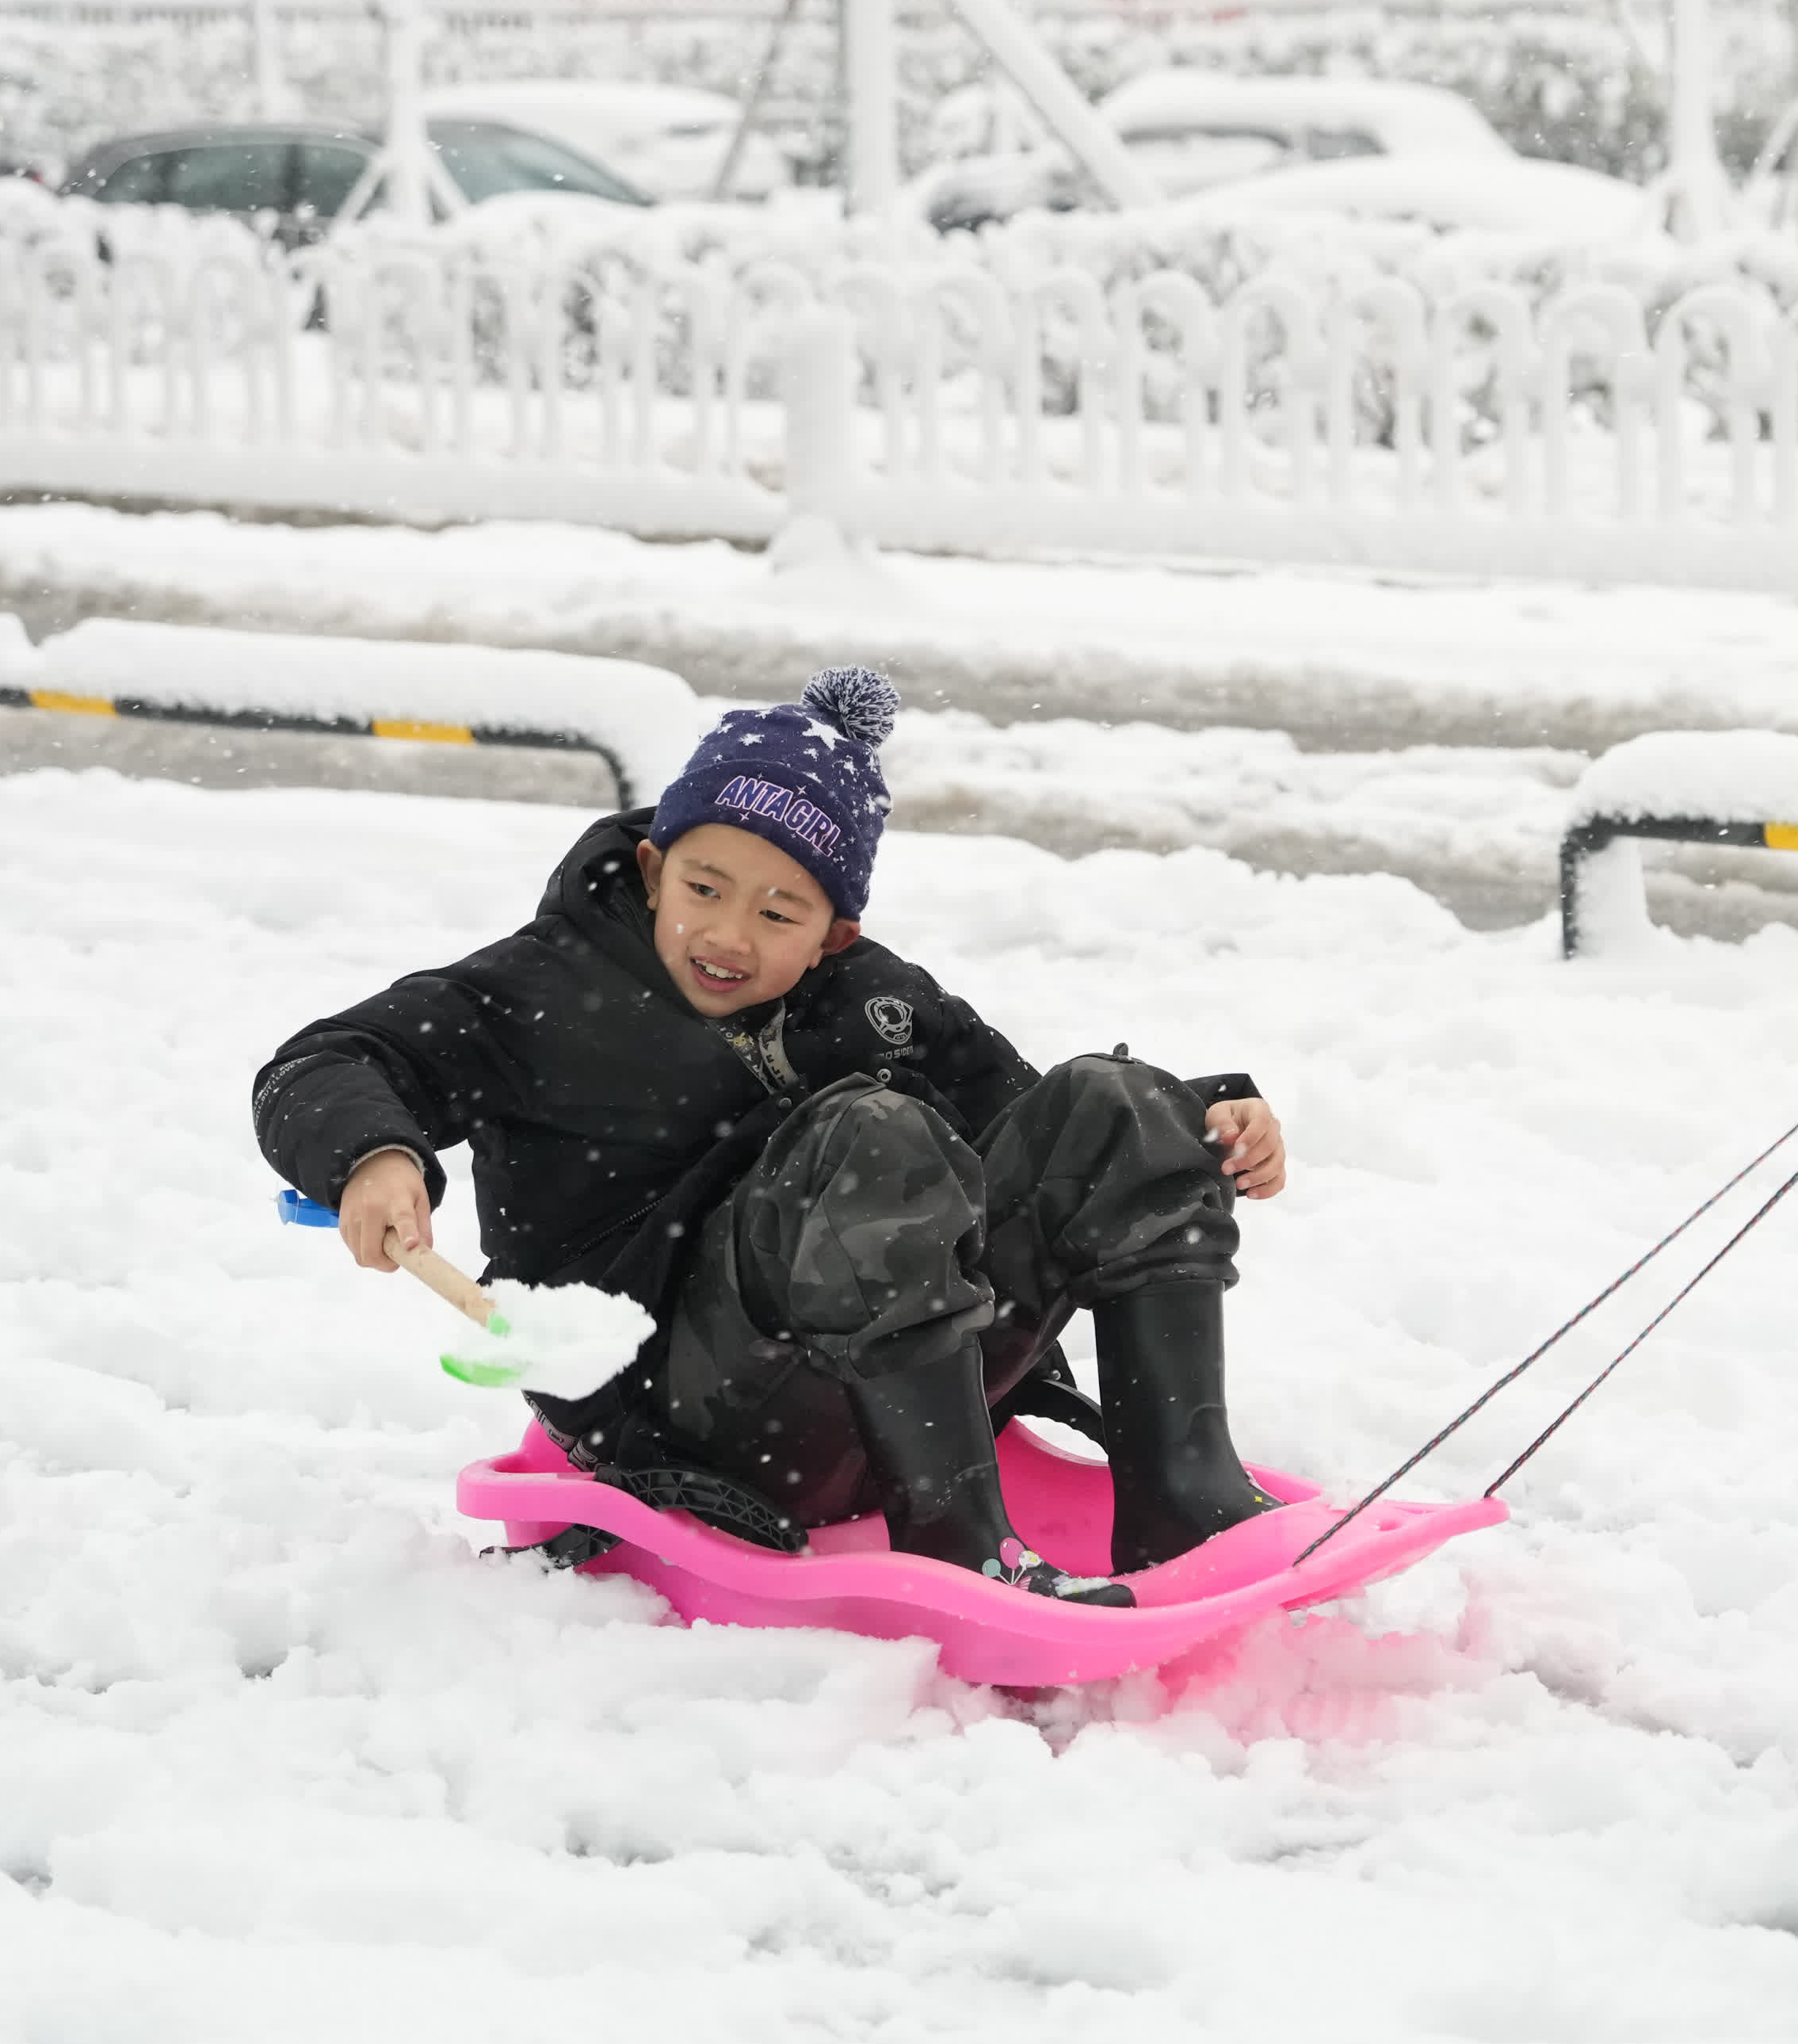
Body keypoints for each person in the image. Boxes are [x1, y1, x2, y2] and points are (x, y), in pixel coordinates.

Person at [255, 667, 1290, 1604]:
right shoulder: (545, 991)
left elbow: (1038, 1136)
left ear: (834, 933)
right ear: (654, 868)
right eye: (703, 888)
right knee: (871, 1136)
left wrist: (1191, 1125)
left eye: (778, 913)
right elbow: (331, 1060)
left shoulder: (880, 1001)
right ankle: (960, 1548)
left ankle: (1183, 1497)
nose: (728, 935)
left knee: (1112, 1102)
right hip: (683, 1409)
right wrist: (374, 1153)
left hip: (904, 1393)